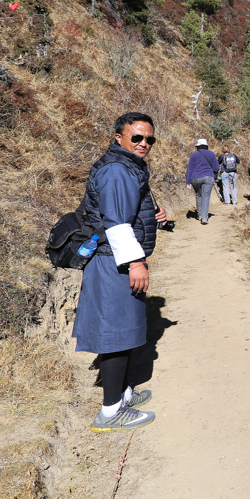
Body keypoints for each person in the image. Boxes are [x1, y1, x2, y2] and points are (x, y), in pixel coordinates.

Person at [72, 112, 166, 432]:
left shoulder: (126, 167)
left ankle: (122, 394)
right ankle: (110, 412)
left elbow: (128, 210)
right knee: (115, 335)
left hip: (116, 259)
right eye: (136, 137)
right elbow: (115, 222)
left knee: (123, 331)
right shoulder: (116, 170)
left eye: (149, 139)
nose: (144, 144)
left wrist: (154, 217)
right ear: (119, 138)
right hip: (114, 261)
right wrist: (135, 263)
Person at [185, 139, 219, 224]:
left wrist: (188, 182)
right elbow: (217, 167)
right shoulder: (211, 154)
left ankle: (199, 215)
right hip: (208, 177)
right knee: (206, 196)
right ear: (206, 146)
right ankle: (204, 217)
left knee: (198, 195)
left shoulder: (193, 155)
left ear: (198, 146)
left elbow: (189, 169)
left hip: (195, 178)